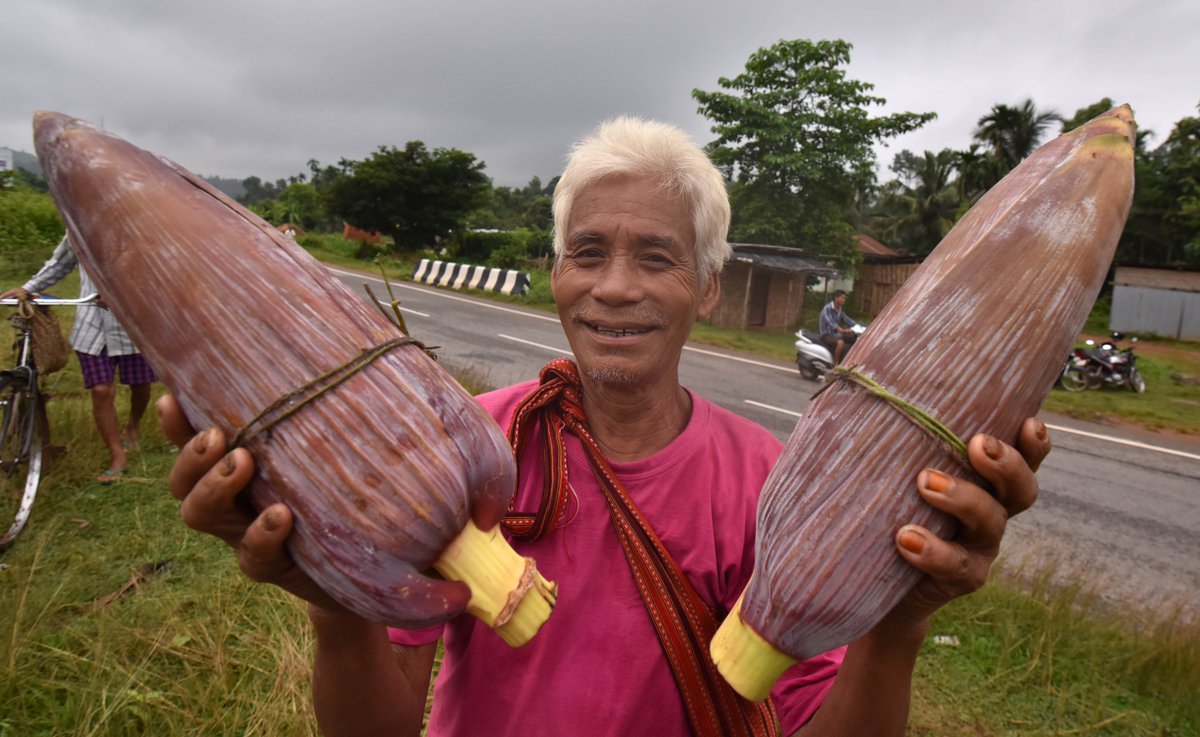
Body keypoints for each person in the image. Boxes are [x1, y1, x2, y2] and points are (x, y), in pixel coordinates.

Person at [159, 117, 1047, 737]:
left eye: (655, 257)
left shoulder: (773, 482)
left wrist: (901, 624)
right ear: (555, 274)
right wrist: (336, 600)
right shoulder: (463, 449)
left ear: (706, 287)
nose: (614, 286)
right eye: (588, 253)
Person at [2, 234, 157, 484]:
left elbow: (156, 268)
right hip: (91, 323)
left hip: (131, 321)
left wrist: (126, 292)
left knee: (140, 386)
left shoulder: (138, 224)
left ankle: (133, 425)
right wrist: (29, 288)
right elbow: (60, 262)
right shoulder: (79, 222)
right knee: (101, 390)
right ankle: (117, 454)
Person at [819, 290, 858, 364]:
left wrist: (858, 326)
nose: (844, 300)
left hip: (836, 334)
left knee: (853, 339)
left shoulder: (839, 309)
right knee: (840, 343)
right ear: (836, 298)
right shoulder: (827, 308)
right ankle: (835, 364)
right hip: (826, 334)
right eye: (842, 298)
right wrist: (843, 330)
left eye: (844, 298)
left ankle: (846, 361)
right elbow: (831, 323)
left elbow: (847, 319)